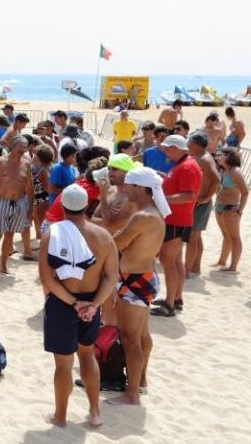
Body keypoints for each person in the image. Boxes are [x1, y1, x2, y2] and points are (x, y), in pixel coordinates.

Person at [38, 185, 118, 427]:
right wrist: (93, 305)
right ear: (87, 206)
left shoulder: (52, 234)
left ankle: (60, 416)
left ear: (62, 206)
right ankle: (95, 412)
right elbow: (111, 277)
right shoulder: (103, 236)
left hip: (64, 304)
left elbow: (47, 279)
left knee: (63, 365)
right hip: (91, 303)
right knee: (87, 356)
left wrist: (74, 303)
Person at [105, 168, 169, 406]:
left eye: (129, 185)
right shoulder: (152, 213)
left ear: (140, 188)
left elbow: (118, 243)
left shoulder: (143, 216)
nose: (124, 189)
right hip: (143, 276)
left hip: (135, 279)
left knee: (130, 338)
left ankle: (131, 394)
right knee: (141, 335)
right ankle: (140, 381)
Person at [152, 135, 203, 317]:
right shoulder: (183, 164)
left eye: (167, 148)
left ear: (175, 148)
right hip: (177, 219)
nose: (165, 151)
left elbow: (188, 195)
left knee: (167, 260)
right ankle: (176, 298)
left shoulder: (188, 166)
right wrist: (164, 177)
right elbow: (180, 187)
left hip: (176, 220)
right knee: (174, 261)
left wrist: (160, 199)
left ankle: (169, 303)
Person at [0, 136, 35, 277]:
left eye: (25, 147)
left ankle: (3, 265)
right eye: (21, 146)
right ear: (13, 146)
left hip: (19, 202)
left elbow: (30, 189)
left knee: (10, 236)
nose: (23, 150)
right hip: (2, 202)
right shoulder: (0, 162)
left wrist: (31, 210)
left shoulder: (26, 164)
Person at [186, 133, 220, 277]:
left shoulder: (204, 159)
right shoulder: (200, 156)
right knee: (196, 237)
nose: (187, 143)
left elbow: (217, 180)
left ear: (196, 144)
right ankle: (195, 267)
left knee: (192, 237)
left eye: (189, 141)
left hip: (200, 203)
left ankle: (186, 270)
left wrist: (206, 197)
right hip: (197, 202)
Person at [212, 148, 249, 272]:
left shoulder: (235, 171)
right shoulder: (223, 170)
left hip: (231, 207)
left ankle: (233, 266)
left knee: (234, 237)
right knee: (226, 235)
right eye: (216, 155)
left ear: (228, 156)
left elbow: (245, 192)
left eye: (219, 155)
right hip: (219, 206)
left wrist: (240, 210)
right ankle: (222, 261)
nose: (217, 157)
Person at [31, 145, 55, 240]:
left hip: (42, 201)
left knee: (42, 225)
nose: (34, 156)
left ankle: (43, 247)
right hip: (43, 200)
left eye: (36, 155)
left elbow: (47, 188)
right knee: (40, 223)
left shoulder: (43, 171)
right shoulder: (51, 167)